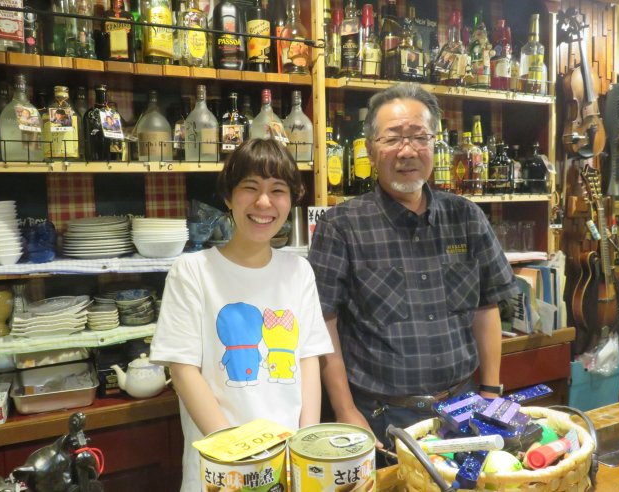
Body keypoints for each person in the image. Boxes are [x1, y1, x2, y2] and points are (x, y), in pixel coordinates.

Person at [308, 83, 519, 448]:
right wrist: (345, 410)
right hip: (381, 415)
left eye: (419, 137)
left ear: (434, 144)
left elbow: (487, 308)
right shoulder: (341, 226)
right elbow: (323, 325)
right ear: (371, 150)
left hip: (464, 405)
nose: (407, 151)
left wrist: (490, 391)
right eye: (392, 139)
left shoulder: (466, 217)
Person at [150, 138, 333, 492]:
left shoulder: (298, 271)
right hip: (220, 470)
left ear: (292, 199)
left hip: (287, 466)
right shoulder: (192, 271)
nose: (264, 202)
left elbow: (308, 359)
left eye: (277, 190)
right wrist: (238, 457)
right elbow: (183, 370)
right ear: (228, 197)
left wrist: (305, 448)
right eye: (250, 187)